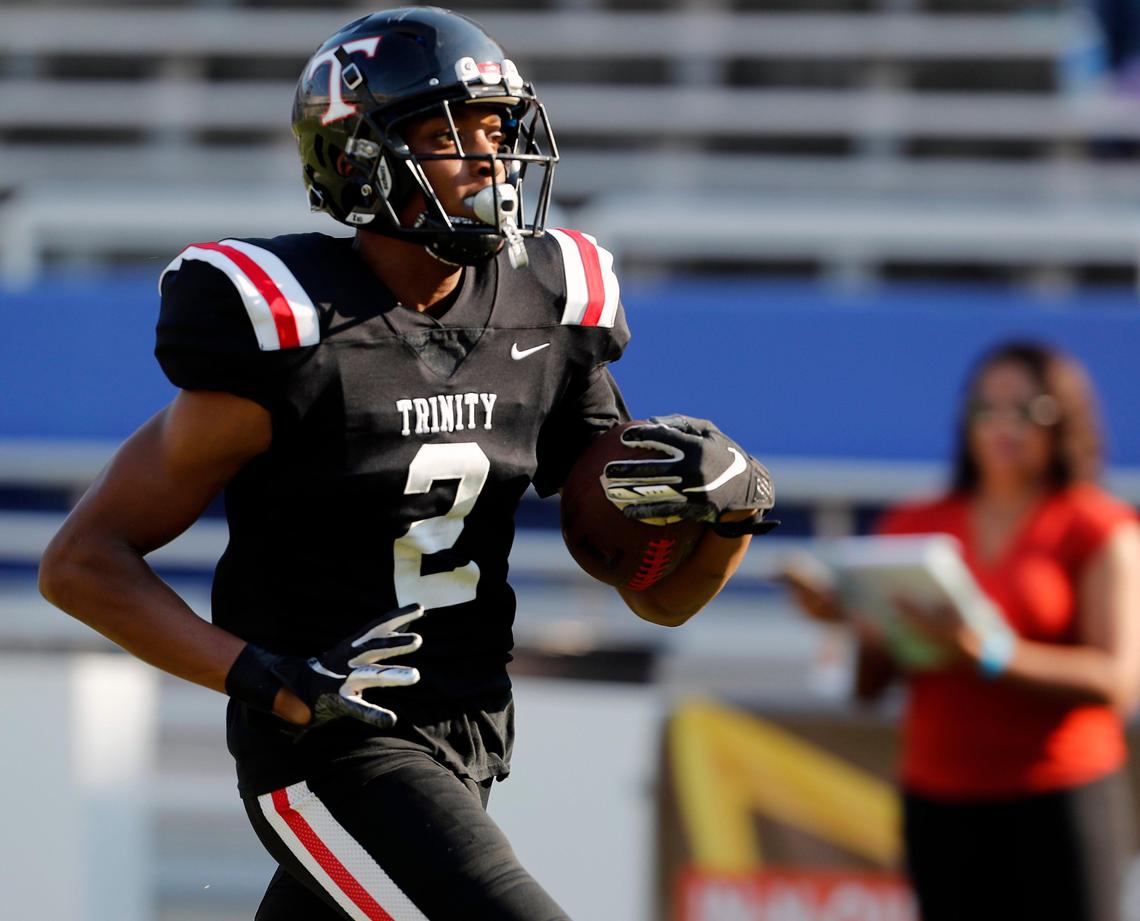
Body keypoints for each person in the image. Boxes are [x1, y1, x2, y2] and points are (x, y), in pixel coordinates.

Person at [37, 8, 776, 921]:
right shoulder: (296, 329)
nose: (492, 162)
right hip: (329, 753)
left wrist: (729, 517)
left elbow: (659, 594)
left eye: (498, 132)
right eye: (448, 135)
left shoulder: (549, 305)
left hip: (470, 735)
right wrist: (266, 677)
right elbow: (80, 562)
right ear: (361, 159)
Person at [786, 340, 1140, 921]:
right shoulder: (915, 523)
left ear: (1063, 420)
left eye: (1025, 411)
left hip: (1059, 796)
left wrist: (991, 653)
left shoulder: (1096, 525)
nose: (1003, 428)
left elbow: (1118, 682)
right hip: (941, 800)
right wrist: (856, 622)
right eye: (985, 409)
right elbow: (870, 690)